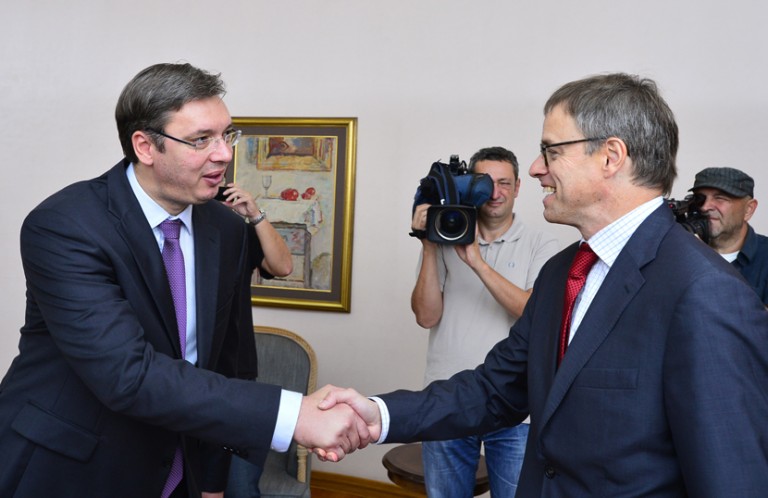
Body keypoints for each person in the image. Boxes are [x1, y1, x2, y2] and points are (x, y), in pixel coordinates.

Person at [319, 73, 768, 497]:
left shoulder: (705, 291)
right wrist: (377, 414)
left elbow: (731, 478)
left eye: (551, 151)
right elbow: (495, 389)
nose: (536, 168)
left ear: (611, 156)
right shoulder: (562, 273)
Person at [0, 62, 367, 498]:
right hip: (72, 467)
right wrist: (293, 415)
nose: (224, 154)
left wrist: (211, 477)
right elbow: (127, 374)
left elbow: (227, 363)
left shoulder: (226, 229)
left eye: (227, 135)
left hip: (178, 470)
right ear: (145, 146)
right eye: (201, 140)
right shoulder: (67, 225)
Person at [410, 146, 558, 497]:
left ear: (518, 187)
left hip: (515, 402)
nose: (495, 192)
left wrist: (476, 261)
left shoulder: (542, 244)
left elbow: (532, 311)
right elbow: (426, 316)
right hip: (448, 395)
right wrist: (429, 244)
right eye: (485, 183)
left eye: (504, 183)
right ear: (468, 185)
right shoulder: (445, 236)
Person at [689, 167, 768, 304]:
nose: (705, 207)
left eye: (720, 198)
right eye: (700, 198)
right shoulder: (680, 251)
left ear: (748, 209)